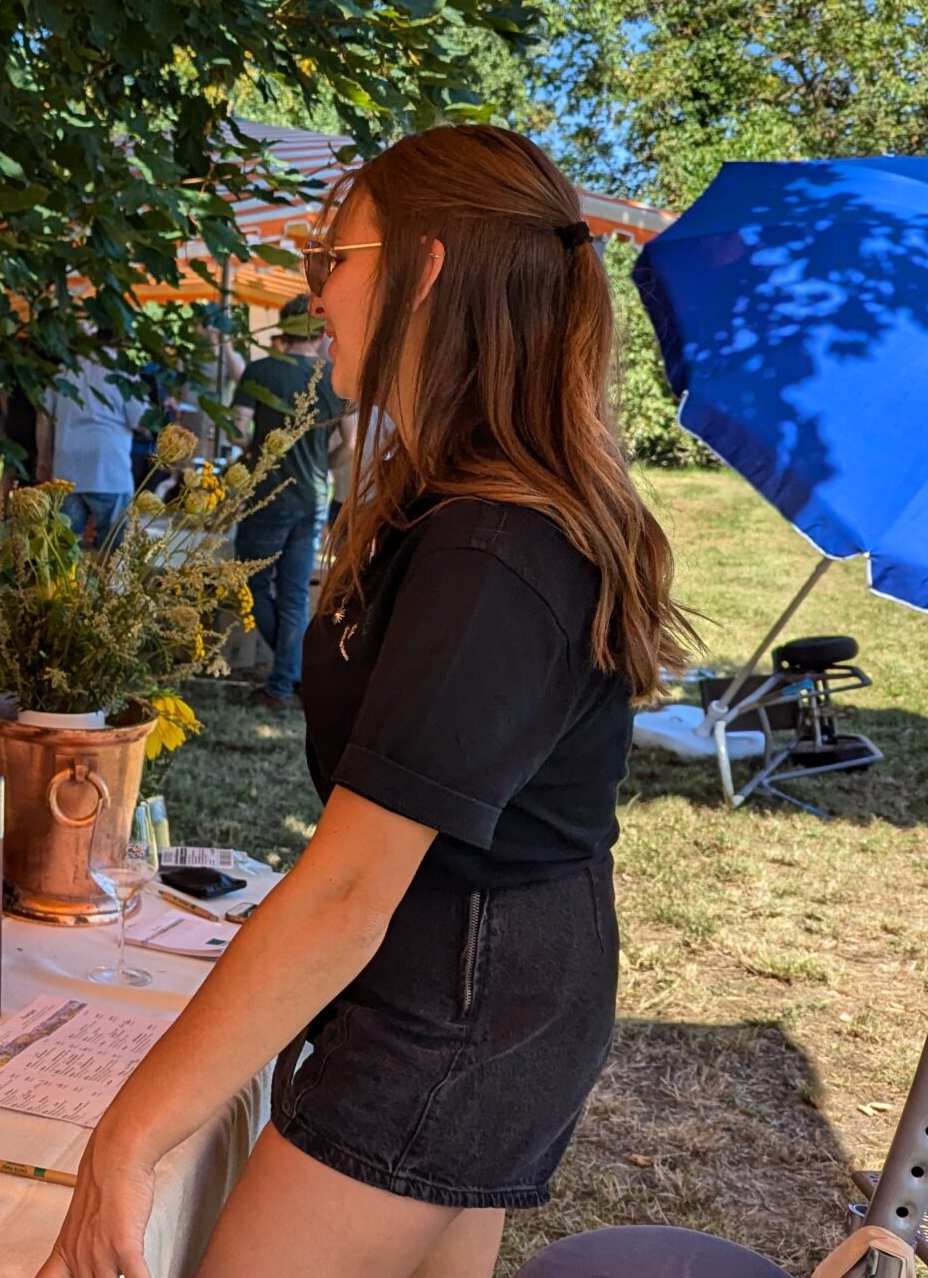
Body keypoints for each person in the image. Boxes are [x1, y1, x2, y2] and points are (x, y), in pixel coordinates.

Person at [34, 126, 693, 1278]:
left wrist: (126, 1142)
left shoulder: (494, 548)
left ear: (423, 269)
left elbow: (347, 890)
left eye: (331, 258)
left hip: (462, 1003)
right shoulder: (459, 508)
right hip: (470, 978)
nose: (312, 293)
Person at [233, 297, 344, 712]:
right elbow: (351, 443)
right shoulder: (333, 376)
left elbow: (238, 432)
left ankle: (289, 674)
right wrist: (323, 463)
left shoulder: (260, 370)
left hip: (268, 493)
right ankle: (286, 680)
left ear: (284, 326)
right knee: (295, 594)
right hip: (313, 496)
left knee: (251, 582)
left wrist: (258, 450)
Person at [43, 353, 146, 543]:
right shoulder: (124, 373)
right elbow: (141, 422)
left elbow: (44, 418)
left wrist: (43, 460)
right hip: (110, 469)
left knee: (65, 546)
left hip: (67, 468)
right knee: (114, 548)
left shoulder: (63, 370)